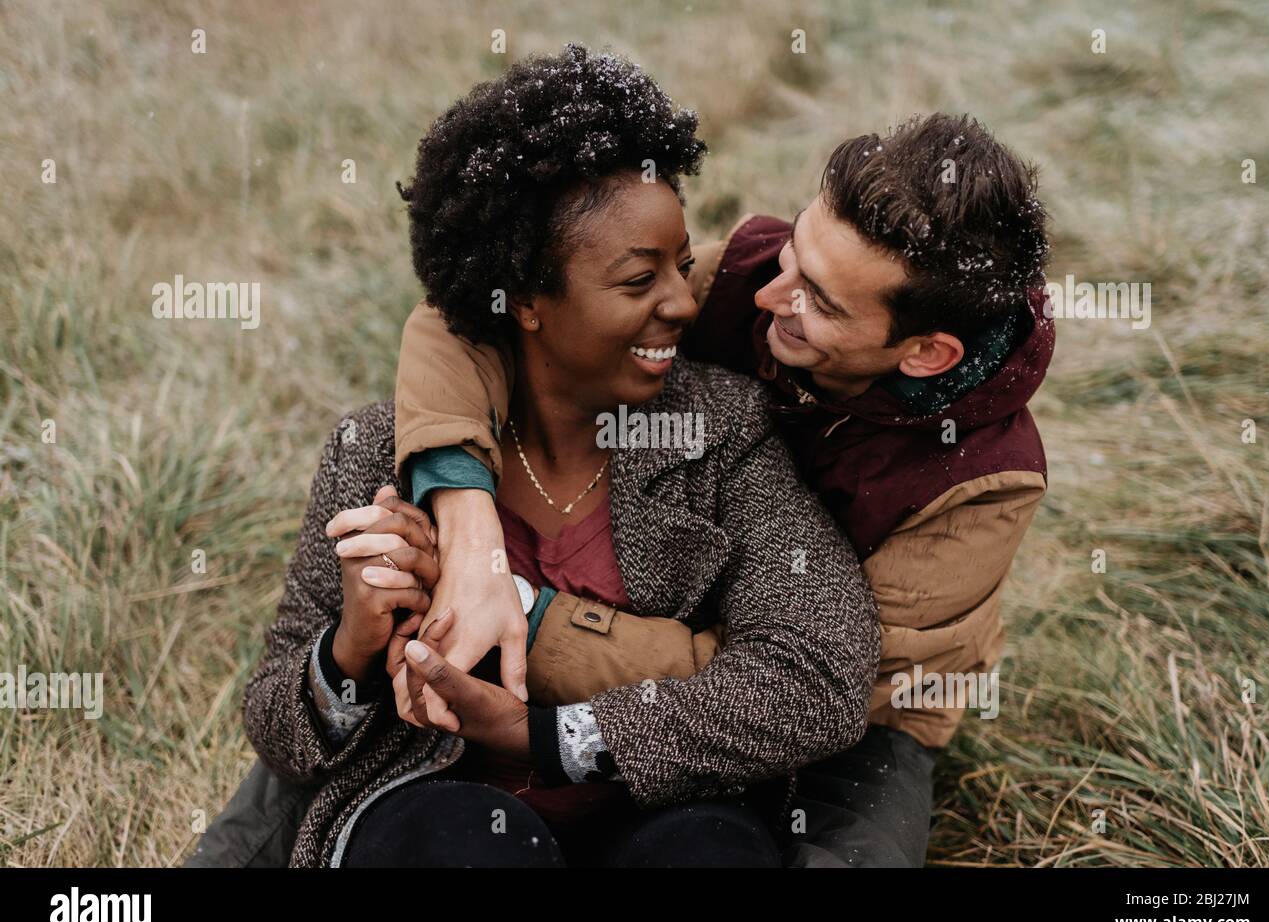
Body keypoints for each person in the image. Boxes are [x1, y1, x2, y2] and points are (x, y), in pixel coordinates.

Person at [208, 44, 877, 868]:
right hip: (436, 810)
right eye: (639, 281)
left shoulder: (722, 431)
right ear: (525, 299)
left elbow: (819, 677)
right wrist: (349, 644)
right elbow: (279, 732)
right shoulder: (374, 453)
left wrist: (549, 738)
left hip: (661, 807)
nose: (681, 302)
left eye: (684, 264)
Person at [382, 111, 1054, 868]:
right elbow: (466, 311)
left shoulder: (984, 481)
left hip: (853, 711)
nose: (774, 297)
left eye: (820, 303)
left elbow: (816, 684)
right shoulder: (746, 274)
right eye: (797, 252)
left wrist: (540, 625)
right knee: (332, 755)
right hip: (671, 615)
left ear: (927, 353)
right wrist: (467, 521)